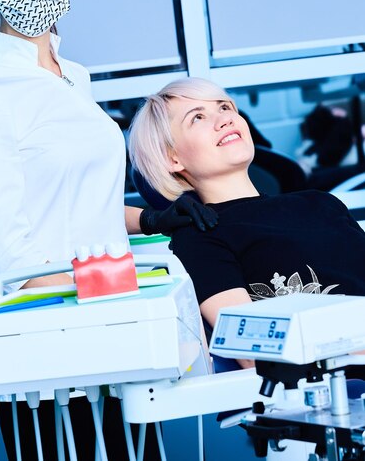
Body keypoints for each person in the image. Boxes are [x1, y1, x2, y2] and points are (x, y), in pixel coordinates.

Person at [0, 0, 215, 460]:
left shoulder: (74, 79)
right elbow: (11, 251)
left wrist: (154, 218)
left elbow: (79, 206)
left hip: (117, 323)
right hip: (53, 347)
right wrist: (87, 307)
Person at [128, 77, 365, 371]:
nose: (224, 119)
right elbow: (256, 355)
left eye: (225, 107)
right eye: (198, 117)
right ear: (173, 158)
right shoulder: (200, 236)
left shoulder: (321, 203)